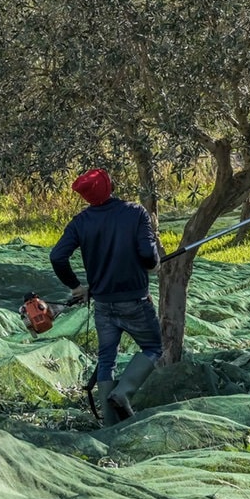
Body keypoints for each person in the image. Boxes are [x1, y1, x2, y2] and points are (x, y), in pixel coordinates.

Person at [50, 167, 164, 424]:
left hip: (102, 304)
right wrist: (154, 263)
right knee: (154, 347)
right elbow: (147, 255)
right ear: (110, 186)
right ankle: (123, 392)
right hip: (135, 300)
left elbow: (57, 256)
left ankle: (110, 426)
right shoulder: (135, 213)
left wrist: (76, 286)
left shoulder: (81, 221)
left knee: (106, 359)